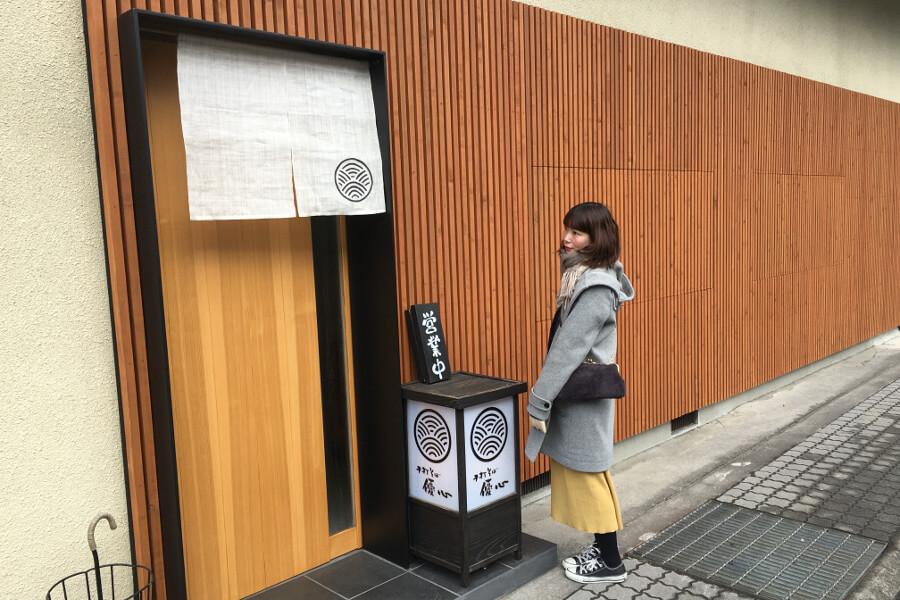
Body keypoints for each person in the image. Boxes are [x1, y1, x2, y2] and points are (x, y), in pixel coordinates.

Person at [524, 201, 635, 584]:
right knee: (586, 473)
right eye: (567, 229)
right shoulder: (584, 276)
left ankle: (609, 561)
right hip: (579, 398)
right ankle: (602, 551)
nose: (566, 238)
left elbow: (567, 349)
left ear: (596, 238)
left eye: (577, 232)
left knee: (589, 475)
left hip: (582, 399)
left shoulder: (594, 286)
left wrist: (539, 400)